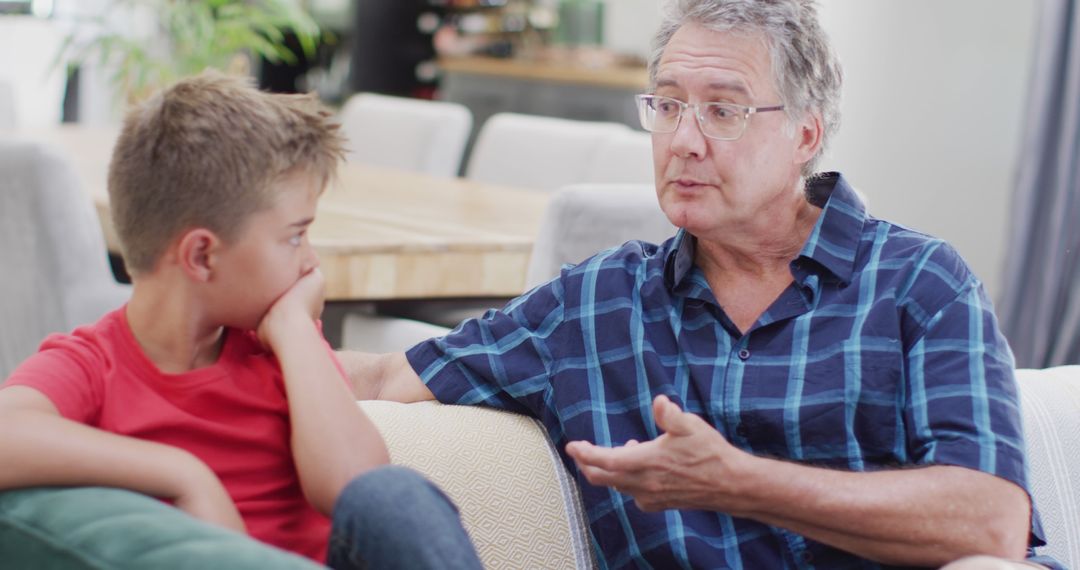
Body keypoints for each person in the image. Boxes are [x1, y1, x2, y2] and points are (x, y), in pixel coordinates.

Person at [338, 0, 1062, 568]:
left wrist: (737, 482)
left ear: (807, 134)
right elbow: (381, 376)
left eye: (723, 109)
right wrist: (263, 316)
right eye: (668, 104)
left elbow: (991, 524)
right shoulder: (596, 307)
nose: (684, 139)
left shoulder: (917, 285)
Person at [0, 72, 482, 570]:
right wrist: (182, 472)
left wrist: (296, 332)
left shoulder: (282, 342)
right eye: (295, 237)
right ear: (203, 256)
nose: (311, 262)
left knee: (394, 494)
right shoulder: (93, 365)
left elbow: (357, 486)